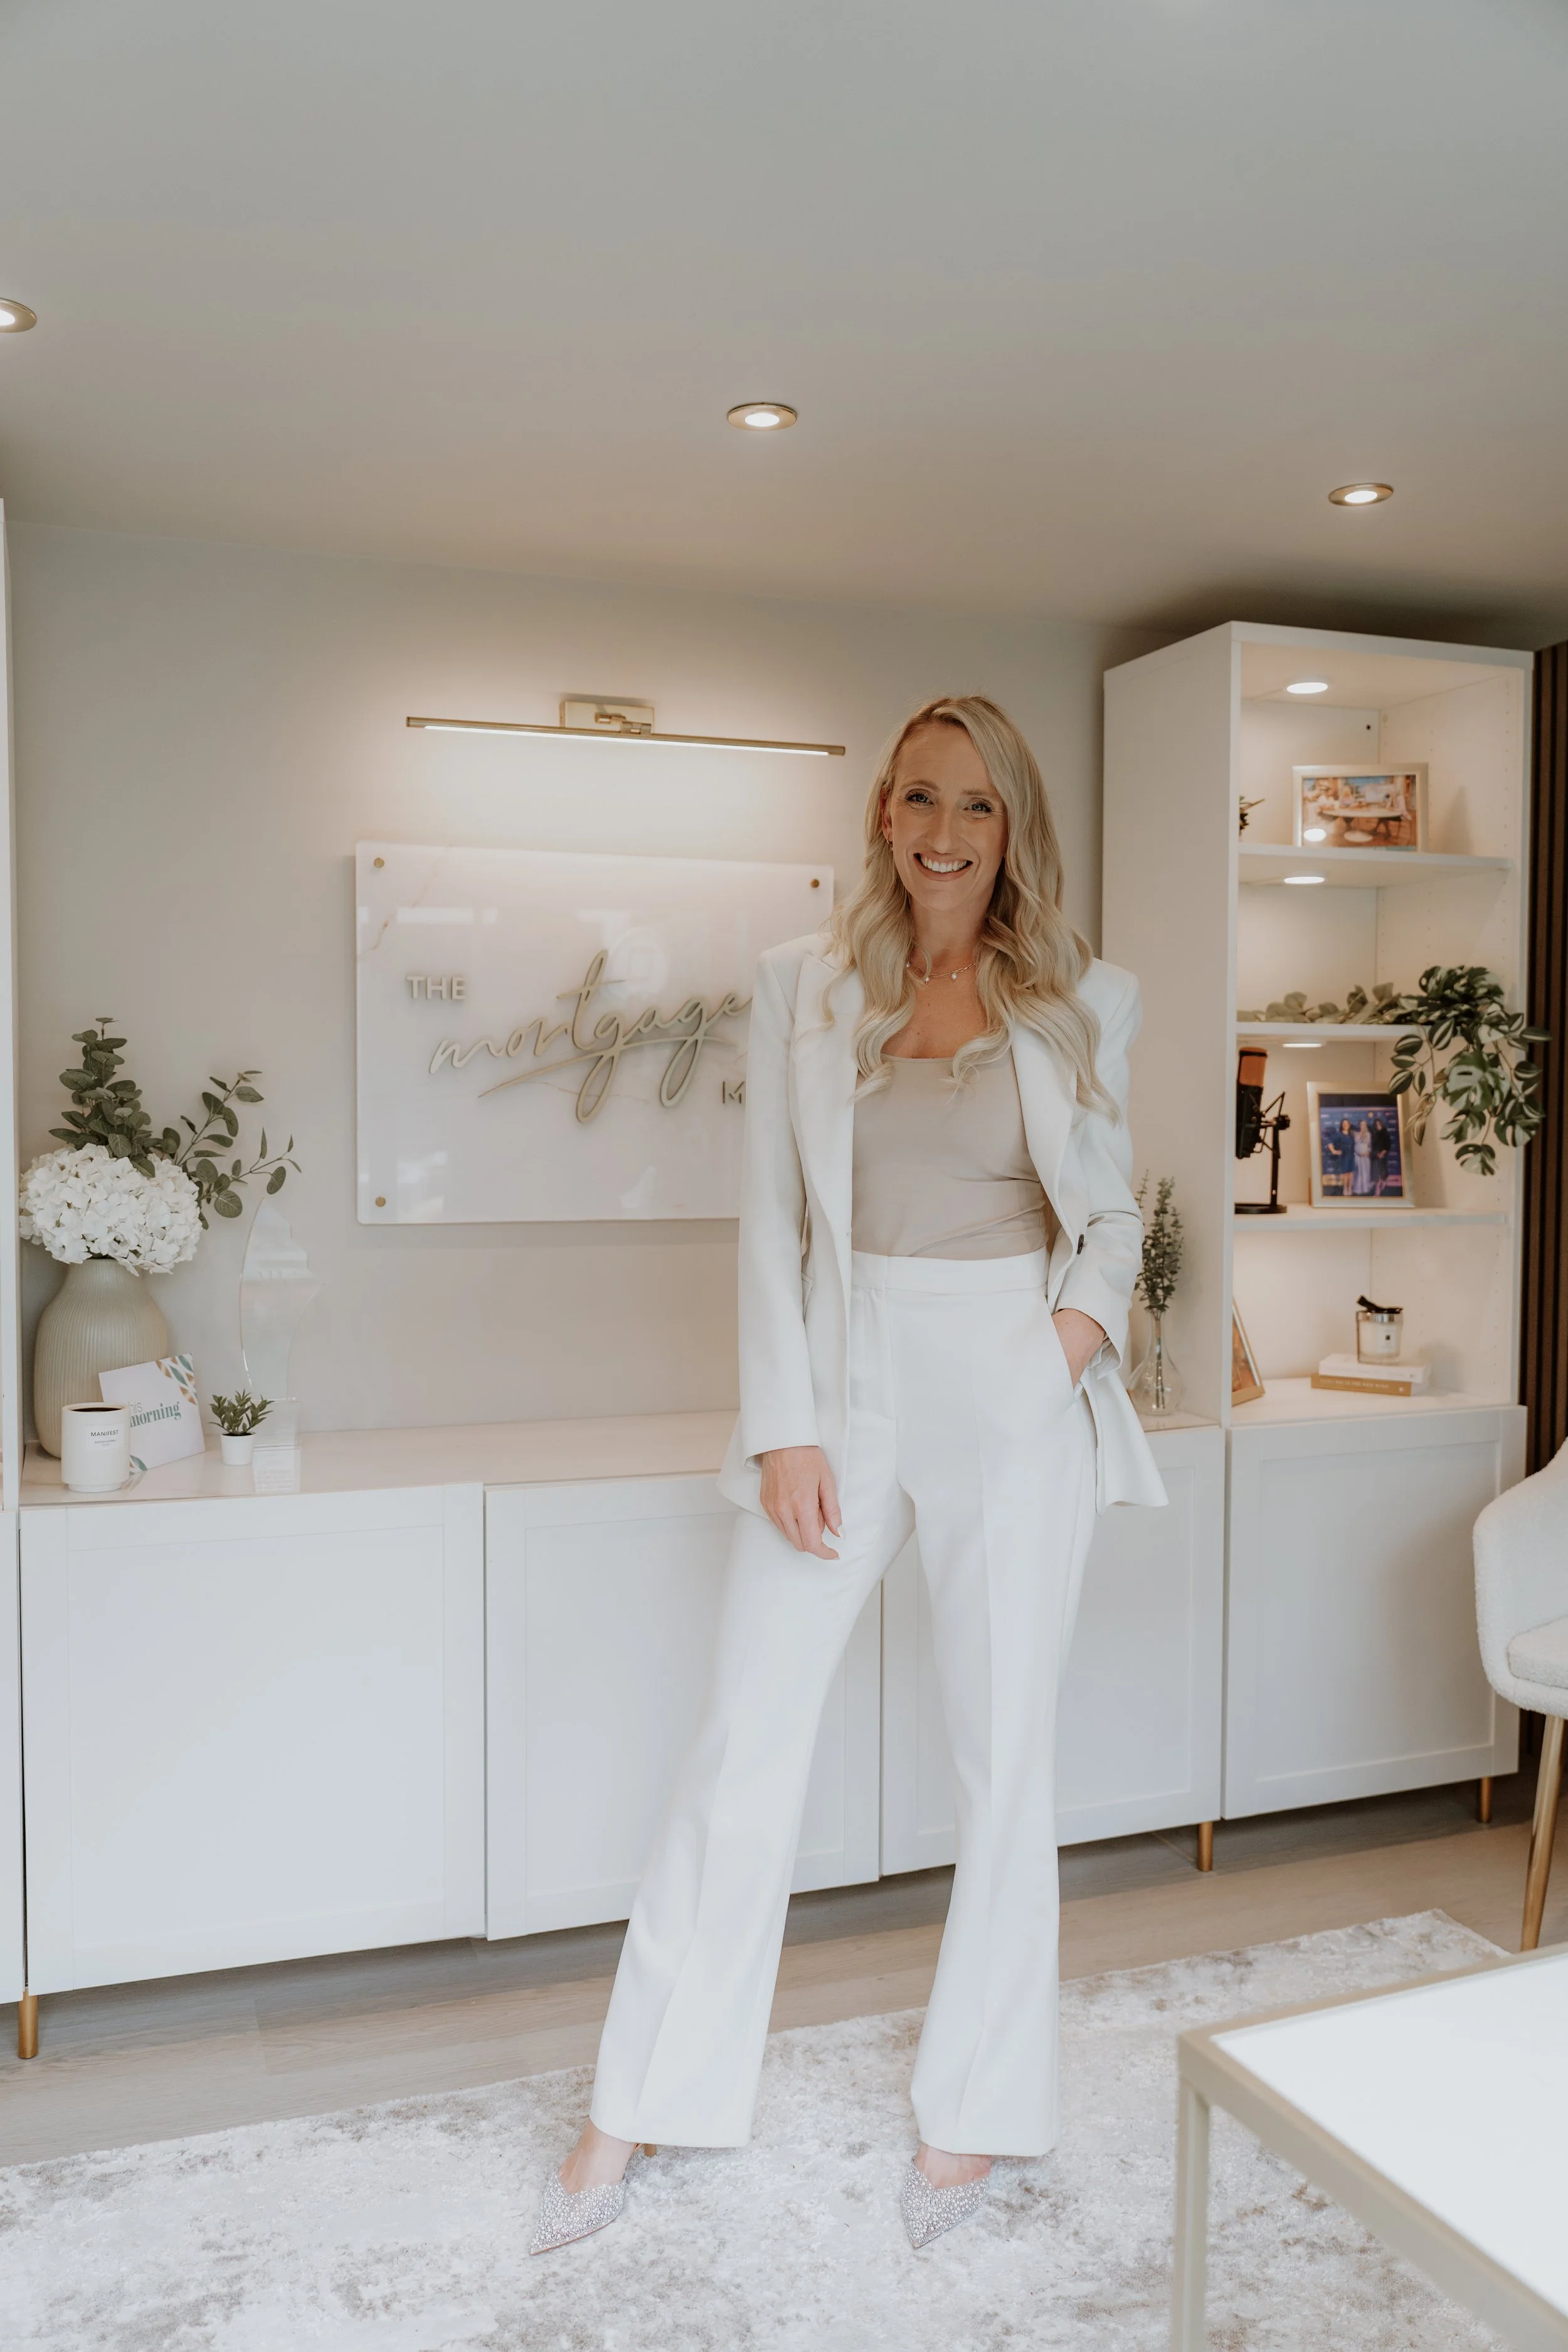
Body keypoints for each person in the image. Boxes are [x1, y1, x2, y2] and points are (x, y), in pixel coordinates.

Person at [532, 695, 1165, 2258]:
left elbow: (1107, 1217)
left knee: (999, 1759)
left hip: (1013, 1381)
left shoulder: (1084, 995)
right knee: (745, 1732)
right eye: (916, 799)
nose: (941, 833)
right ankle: (642, 2096)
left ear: (1012, 828)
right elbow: (770, 1225)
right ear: (881, 813)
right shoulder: (804, 988)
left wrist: (1065, 1350)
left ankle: (978, 2115)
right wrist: (788, 1425)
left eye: (975, 808)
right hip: (847, 1372)